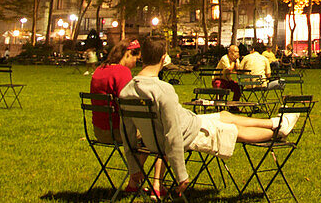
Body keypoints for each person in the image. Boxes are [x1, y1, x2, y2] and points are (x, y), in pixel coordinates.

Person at [119, 35, 298, 198]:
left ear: (142, 56)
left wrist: (134, 168)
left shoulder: (127, 91)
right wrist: (181, 176)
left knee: (224, 115)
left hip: (182, 127)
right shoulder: (163, 90)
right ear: (163, 58)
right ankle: (279, 131)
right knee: (233, 130)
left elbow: (127, 135)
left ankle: (273, 122)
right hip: (190, 132)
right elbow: (172, 135)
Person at [90, 39, 141, 144]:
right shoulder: (122, 72)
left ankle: (135, 161)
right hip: (118, 132)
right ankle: (155, 161)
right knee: (161, 134)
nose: (135, 64)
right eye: (136, 59)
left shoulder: (99, 69)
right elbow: (128, 103)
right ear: (128, 54)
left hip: (99, 131)